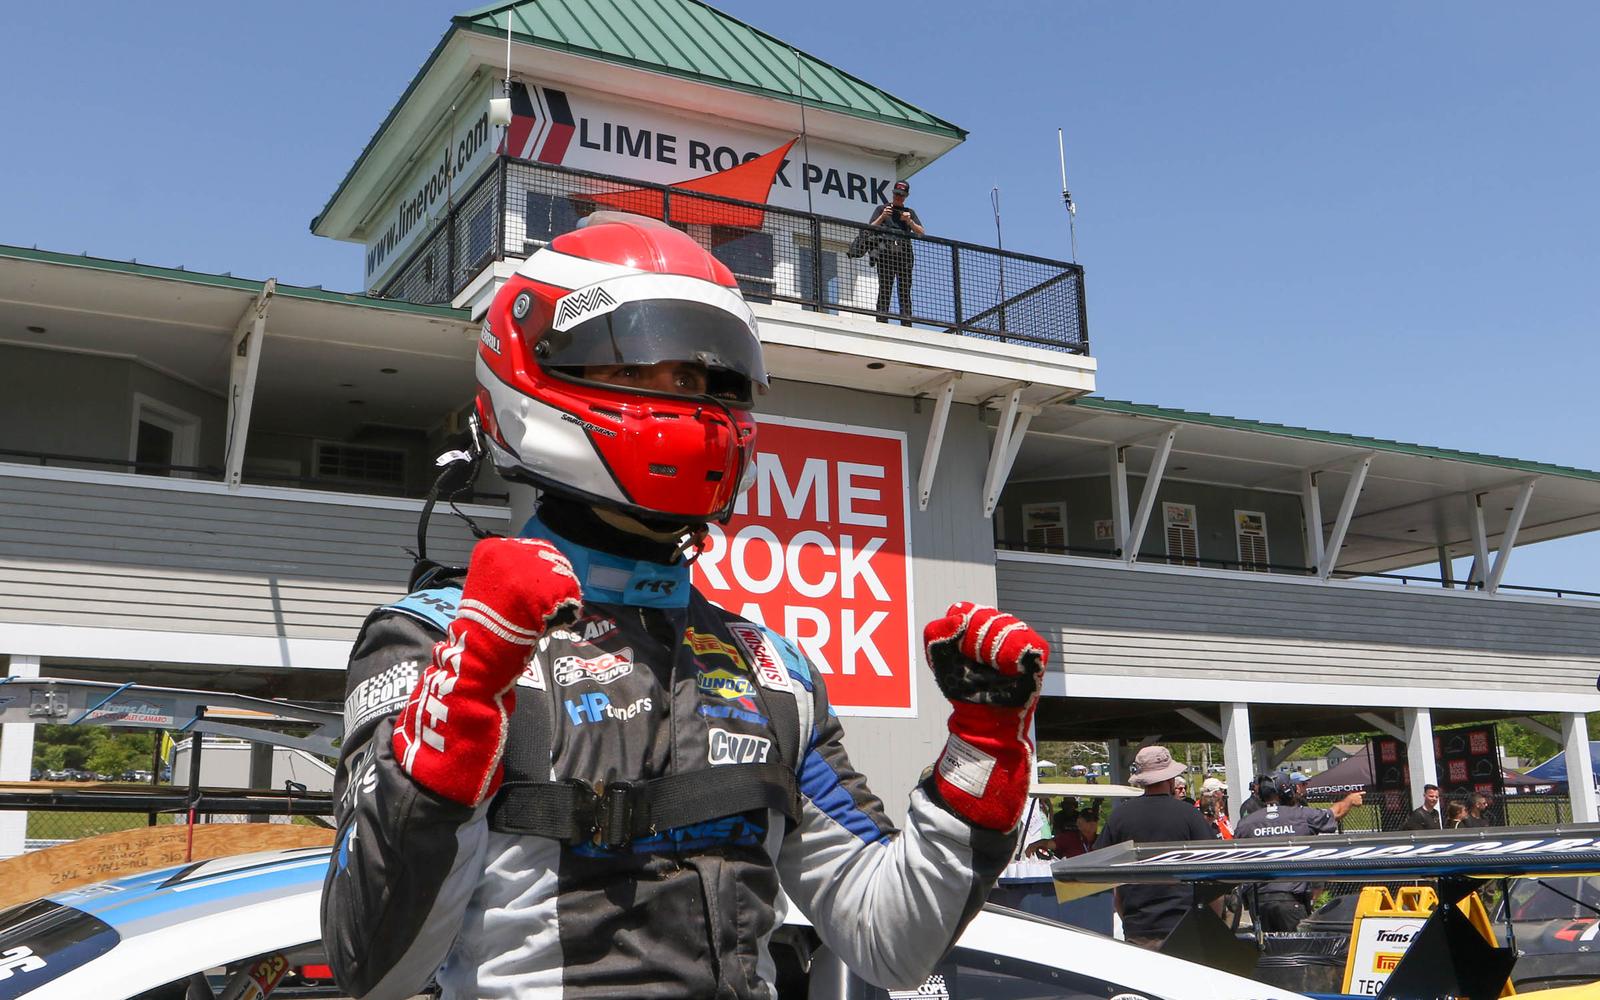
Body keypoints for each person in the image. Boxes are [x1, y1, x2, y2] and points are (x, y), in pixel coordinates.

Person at [320, 214, 1050, 1000]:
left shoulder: (773, 671)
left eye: (715, 382)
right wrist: (464, 697)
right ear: (537, 371)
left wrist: (983, 749)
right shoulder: (436, 639)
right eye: (652, 371)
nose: (695, 406)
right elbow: (372, 967)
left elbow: (891, 941)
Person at [1095, 745, 1218, 949]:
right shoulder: (1189, 815)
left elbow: (1104, 874)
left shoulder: (1119, 816)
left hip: (1138, 926)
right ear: (1170, 779)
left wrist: (1126, 916)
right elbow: (1214, 871)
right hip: (1185, 925)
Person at [1232, 775, 1364, 932]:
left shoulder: (1246, 823)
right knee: (1297, 950)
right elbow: (1335, 812)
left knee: (1267, 951)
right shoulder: (1301, 815)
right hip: (1291, 898)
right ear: (1289, 792)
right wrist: (1349, 800)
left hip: (1258, 901)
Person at [866, 179, 923, 326]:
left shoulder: (909, 212)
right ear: (892, 194)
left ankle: (906, 323)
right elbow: (870, 227)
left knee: (904, 290)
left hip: (904, 256)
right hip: (886, 255)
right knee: (885, 288)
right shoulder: (882, 209)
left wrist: (909, 222)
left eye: (902, 195)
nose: (898, 197)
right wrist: (883, 217)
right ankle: (882, 321)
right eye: (897, 194)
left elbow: (921, 232)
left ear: (906, 196)